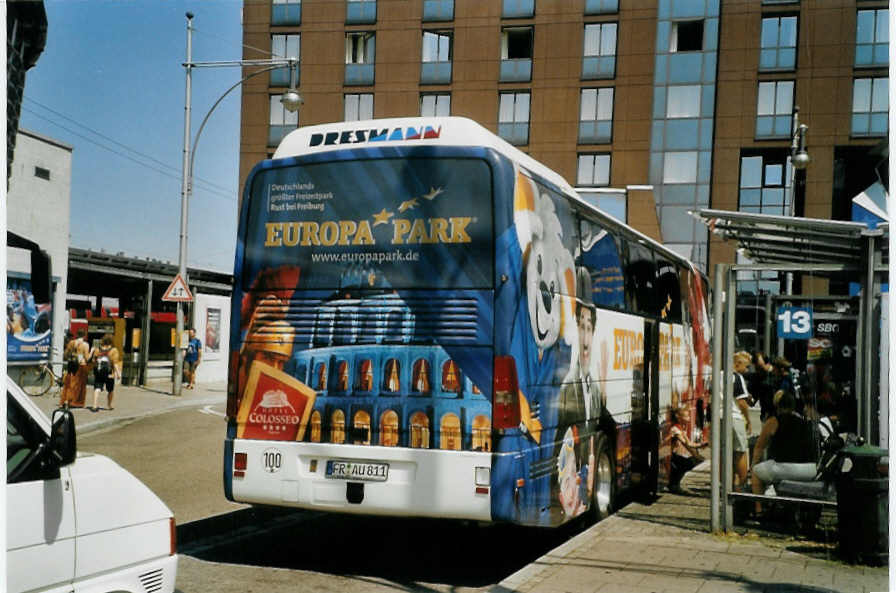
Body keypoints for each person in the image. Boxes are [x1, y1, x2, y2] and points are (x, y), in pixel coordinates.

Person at [750, 390, 817, 515]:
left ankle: (759, 509)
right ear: (793, 406)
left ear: (778, 406)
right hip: (809, 470)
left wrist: (753, 463)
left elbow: (759, 447)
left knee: (756, 472)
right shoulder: (804, 422)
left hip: (786, 468)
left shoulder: (774, 421)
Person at [666, 405, 709, 494]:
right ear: (679, 417)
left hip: (674, 456)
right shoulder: (675, 429)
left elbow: (689, 443)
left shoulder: (680, 428)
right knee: (688, 463)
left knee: (689, 462)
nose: (689, 418)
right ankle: (674, 484)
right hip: (671, 457)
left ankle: (675, 484)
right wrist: (701, 445)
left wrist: (700, 446)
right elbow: (687, 444)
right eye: (686, 416)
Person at [731, 351, 753, 488]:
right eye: (746, 366)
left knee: (724, 452)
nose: (747, 370)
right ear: (737, 364)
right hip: (734, 417)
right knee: (740, 452)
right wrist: (748, 420)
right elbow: (741, 403)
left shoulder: (717, 376)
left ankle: (727, 483)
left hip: (719, 418)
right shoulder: (737, 377)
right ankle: (742, 485)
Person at [90, 334, 121, 411]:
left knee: (97, 388)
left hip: (98, 371)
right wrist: (118, 373)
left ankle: (94, 405)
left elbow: (94, 360)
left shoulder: (97, 349)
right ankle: (109, 405)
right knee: (110, 389)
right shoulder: (114, 350)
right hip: (109, 372)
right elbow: (115, 363)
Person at [60, 328, 91, 407]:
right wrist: (92, 353)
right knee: (79, 385)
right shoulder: (85, 345)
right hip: (81, 365)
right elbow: (87, 358)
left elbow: (65, 354)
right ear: (84, 335)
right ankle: (75, 402)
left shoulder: (71, 342)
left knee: (68, 383)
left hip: (71, 364)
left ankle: (65, 400)